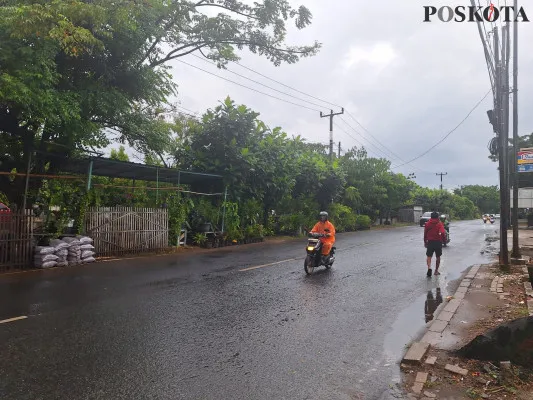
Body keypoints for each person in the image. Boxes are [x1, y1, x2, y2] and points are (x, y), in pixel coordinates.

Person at [424, 211, 446, 277]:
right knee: (438, 257)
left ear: (431, 217)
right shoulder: (440, 224)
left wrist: (425, 242)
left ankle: (429, 268)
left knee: (429, 256)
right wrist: (444, 241)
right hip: (438, 243)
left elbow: (425, 234)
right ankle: (436, 271)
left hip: (430, 242)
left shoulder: (427, 224)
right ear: (437, 217)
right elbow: (443, 233)